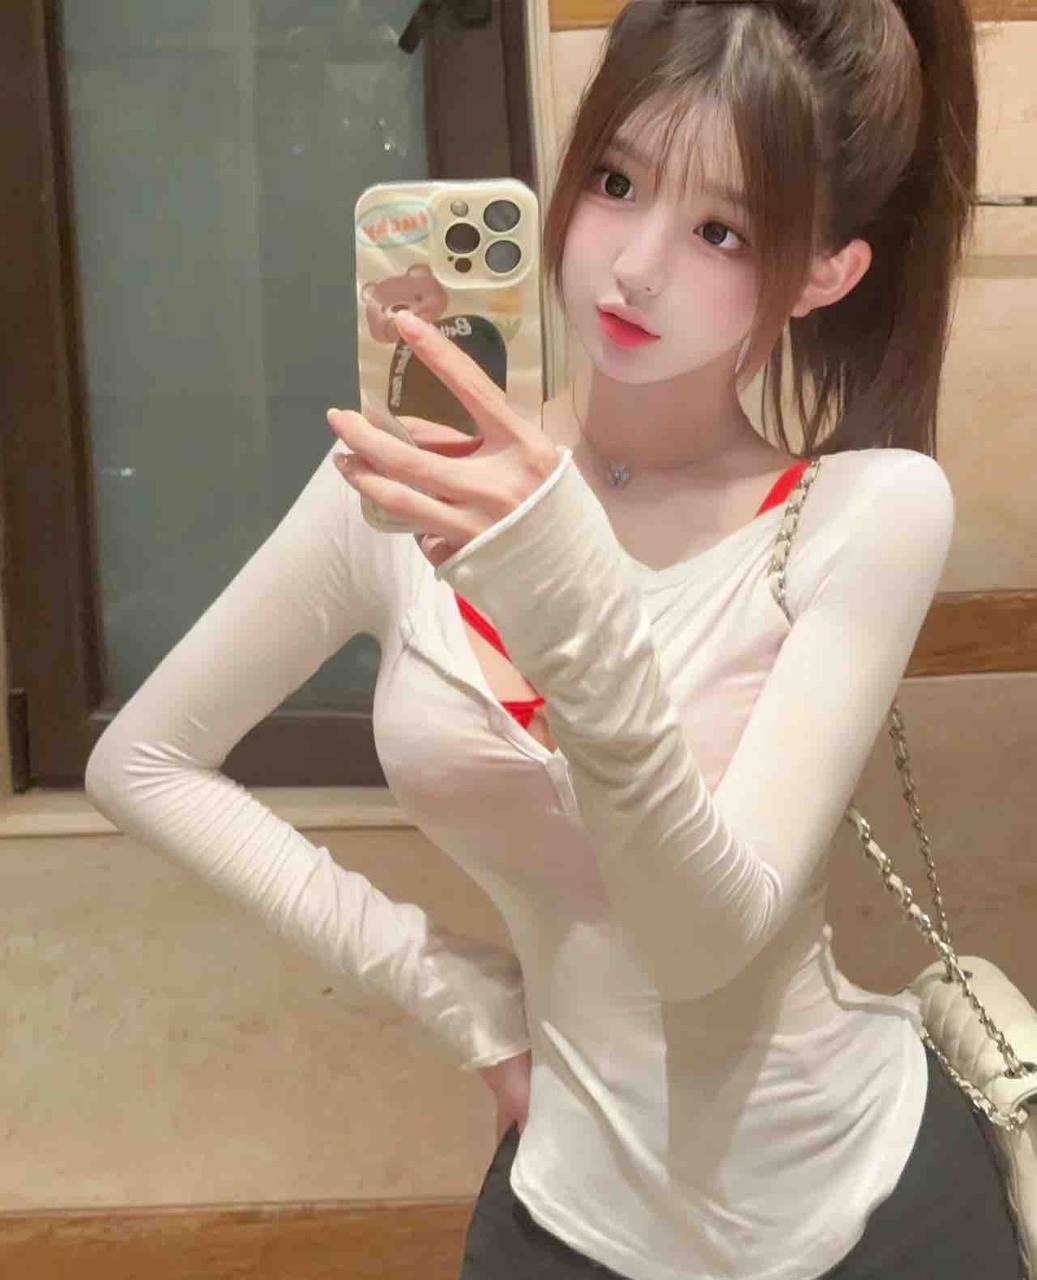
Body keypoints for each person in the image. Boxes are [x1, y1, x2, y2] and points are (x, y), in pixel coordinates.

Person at [84, 1, 1025, 1278]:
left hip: (871, 1205)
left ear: (823, 272)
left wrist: (556, 577)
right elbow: (141, 762)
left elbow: (701, 944)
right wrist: (455, 991)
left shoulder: (863, 512)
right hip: (567, 1211)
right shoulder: (401, 492)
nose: (633, 266)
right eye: (615, 181)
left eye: (719, 231)